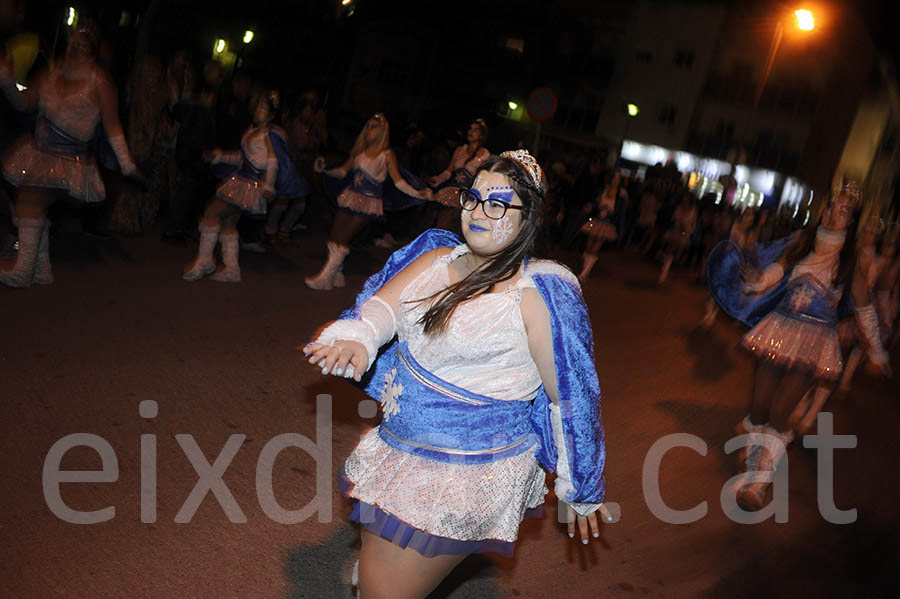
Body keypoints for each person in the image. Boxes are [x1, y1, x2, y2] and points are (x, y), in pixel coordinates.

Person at [303, 150, 611, 597]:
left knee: (383, 591)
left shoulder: (535, 295)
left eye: (498, 203)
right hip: (399, 448)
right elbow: (381, 309)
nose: (479, 211)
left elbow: (570, 397)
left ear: (528, 219)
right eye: (474, 197)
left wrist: (580, 482)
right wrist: (360, 337)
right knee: (376, 560)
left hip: (466, 474)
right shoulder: (436, 259)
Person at [708, 181, 890, 509]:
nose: (839, 211)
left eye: (847, 210)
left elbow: (863, 304)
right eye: (836, 203)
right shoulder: (804, 239)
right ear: (827, 206)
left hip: (817, 340)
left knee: (781, 411)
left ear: (852, 220)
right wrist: (756, 283)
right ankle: (755, 436)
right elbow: (779, 269)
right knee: (760, 405)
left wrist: (877, 351)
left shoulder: (852, 257)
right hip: (780, 327)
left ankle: (758, 481)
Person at [0, 20, 138, 288]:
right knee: (31, 201)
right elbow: (25, 99)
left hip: (70, 161)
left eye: (88, 37)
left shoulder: (100, 81)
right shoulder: (52, 71)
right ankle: (41, 269)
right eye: (77, 34)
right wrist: (8, 82)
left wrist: (126, 163)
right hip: (39, 153)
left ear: (95, 48)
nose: (80, 40)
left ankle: (23, 271)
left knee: (30, 197)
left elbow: (113, 126)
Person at [182, 90, 306, 283]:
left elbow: (274, 161)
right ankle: (231, 269)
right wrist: (220, 156)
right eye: (257, 105)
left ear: (273, 114)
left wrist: (269, 186)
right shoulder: (253, 130)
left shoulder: (270, 134)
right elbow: (244, 159)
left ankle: (205, 261)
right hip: (243, 181)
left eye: (263, 107)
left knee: (211, 214)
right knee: (228, 223)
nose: (258, 110)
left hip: (251, 187)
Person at [306, 112, 432, 290]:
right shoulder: (359, 151)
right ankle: (337, 275)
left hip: (368, 202)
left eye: (374, 127)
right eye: (368, 126)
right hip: (350, 196)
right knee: (334, 237)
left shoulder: (387, 154)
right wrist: (325, 169)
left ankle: (326, 277)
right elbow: (342, 171)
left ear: (382, 132)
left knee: (342, 239)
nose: (369, 130)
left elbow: (399, 182)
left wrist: (418, 193)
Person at [425, 118, 491, 234]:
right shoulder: (460, 150)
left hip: (468, 197)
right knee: (440, 224)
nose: (471, 132)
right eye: (470, 129)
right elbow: (448, 172)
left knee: (457, 230)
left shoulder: (485, 155)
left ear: (481, 135)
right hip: (451, 193)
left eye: (475, 130)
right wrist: (436, 180)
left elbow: (484, 180)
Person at [577, 171, 621, 281]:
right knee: (588, 247)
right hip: (596, 221)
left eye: (617, 179)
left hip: (607, 224)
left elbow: (619, 212)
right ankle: (585, 269)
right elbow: (594, 204)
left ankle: (585, 272)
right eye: (614, 178)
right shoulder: (603, 190)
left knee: (595, 248)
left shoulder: (620, 195)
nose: (615, 181)